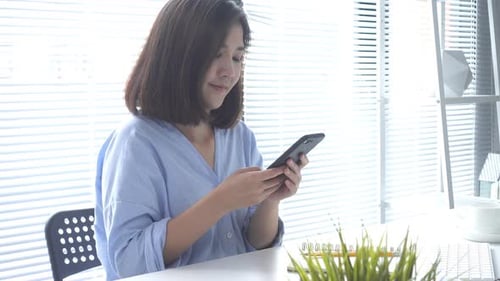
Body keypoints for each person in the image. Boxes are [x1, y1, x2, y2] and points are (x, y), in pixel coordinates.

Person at [94, 0, 308, 279]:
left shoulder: (240, 137)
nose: (229, 72)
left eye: (237, 57)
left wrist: (270, 200)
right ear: (177, 56)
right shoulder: (135, 143)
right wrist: (220, 201)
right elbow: (129, 263)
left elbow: (256, 245)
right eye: (215, 54)